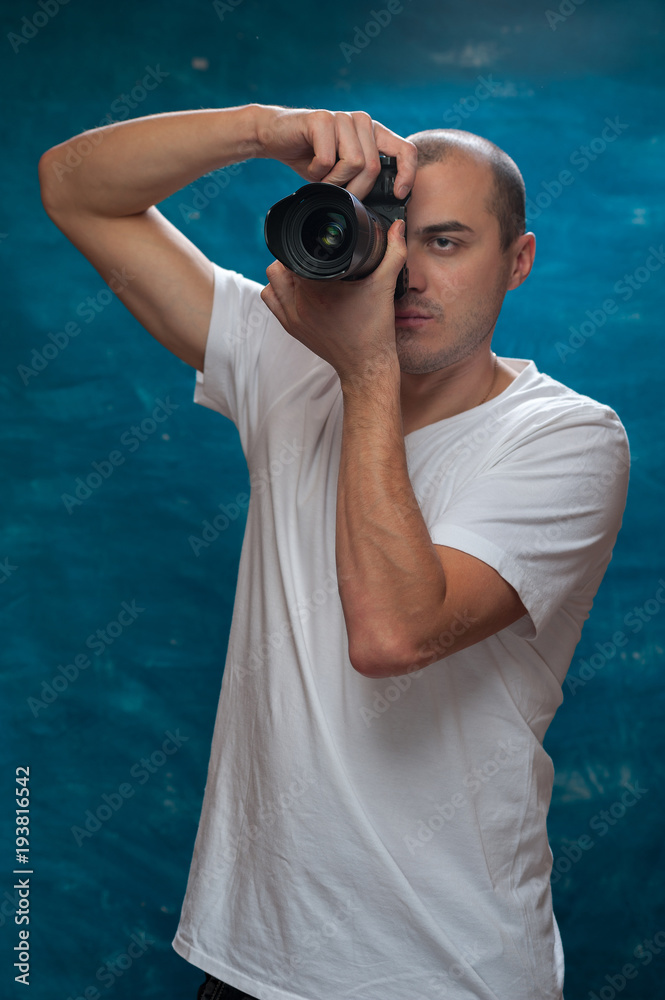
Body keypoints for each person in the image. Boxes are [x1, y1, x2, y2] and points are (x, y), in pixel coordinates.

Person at [39, 104, 629, 1000]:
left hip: (442, 970)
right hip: (246, 962)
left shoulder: (566, 440)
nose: (405, 274)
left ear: (518, 261)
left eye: (445, 242)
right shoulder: (292, 359)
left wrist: (361, 371)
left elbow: (393, 632)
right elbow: (76, 189)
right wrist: (265, 130)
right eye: (388, 235)